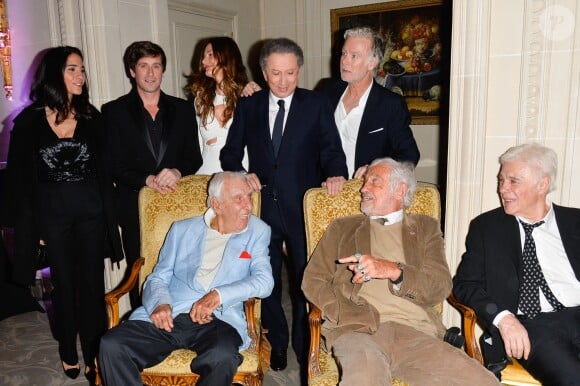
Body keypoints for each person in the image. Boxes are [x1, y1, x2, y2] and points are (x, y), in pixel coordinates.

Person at [302, 157, 500, 385]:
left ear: (400, 191)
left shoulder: (425, 228)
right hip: (359, 331)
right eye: (365, 181)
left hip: (416, 333)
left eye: (375, 181)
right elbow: (313, 279)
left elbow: (440, 286)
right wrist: (341, 312)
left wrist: (395, 271)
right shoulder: (342, 228)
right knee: (364, 380)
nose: (363, 188)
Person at [220, 38, 348, 371]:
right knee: (267, 281)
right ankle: (276, 341)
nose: (283, 81)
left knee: (307, 281)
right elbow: (230, 152)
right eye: (276, 73)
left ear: (299, 71)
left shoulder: (316, 104)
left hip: (301, 210)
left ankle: (305, 346)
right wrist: (241, 172)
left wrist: (336, 174)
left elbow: (332, 151)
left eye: (290, 73)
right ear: (263, 72)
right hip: (261, 209)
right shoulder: (249, 105)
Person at [4, 46, 123, 384]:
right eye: (72, 69)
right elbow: (19, 180)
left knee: (91, 286)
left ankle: (95, 352)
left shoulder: (91, 117)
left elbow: (107, 167)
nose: (81, 75)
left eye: (82, 69)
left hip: (91, 216)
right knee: (64, 287)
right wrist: (32, 225)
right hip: (52, 219)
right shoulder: (28, 121)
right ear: (55, 74)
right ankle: (68, 350)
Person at [99, 171, 274, 386]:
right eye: (239, 198)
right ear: (216, 205)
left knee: (222, 357)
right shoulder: (181, 230)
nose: (248, 205)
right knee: (112, 345)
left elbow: (265, 281)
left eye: (248, 196)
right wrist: (160, 304)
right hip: (173, 313)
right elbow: (157, 278)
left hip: (219, 320)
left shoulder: (258, 231)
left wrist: (218, 296)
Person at [453, 143, 580, 384]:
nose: (503, 189)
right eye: (501, 180)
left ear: (542, 184)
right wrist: (504, 319)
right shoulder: (487, 227)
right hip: (533, 326)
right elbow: (464, 284)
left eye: (513, 181)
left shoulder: (576, 222)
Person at [103, 41, 202, 308]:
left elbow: (195, 156)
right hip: (135, 205)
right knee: (142, 269)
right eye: (143, 66)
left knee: (182, 269)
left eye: (156, 66)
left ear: (163, 70)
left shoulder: (182, 109)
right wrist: (146, 179)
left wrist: (177, 171)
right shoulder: (114, 112)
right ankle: (143, 327)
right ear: (132, 71)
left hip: (177, 204)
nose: (150, 73)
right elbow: (112, 163)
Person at [324, 27, 420, 178]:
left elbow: (409, 155)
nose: (344, 61)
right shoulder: (327, 92)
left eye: (354, 56)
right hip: (325, 192)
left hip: (366, 192)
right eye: (344, 53)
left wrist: (377, 169)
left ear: (372, 63)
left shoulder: (390, 104)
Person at [184, 36, 261, 175]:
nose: (203, 61)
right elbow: (199, 145)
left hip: (242, 174)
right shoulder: (201, 100)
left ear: (225, 57)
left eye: (210, 55)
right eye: (204, 56)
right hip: (207, 174)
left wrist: (260, 98)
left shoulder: (248, 96)